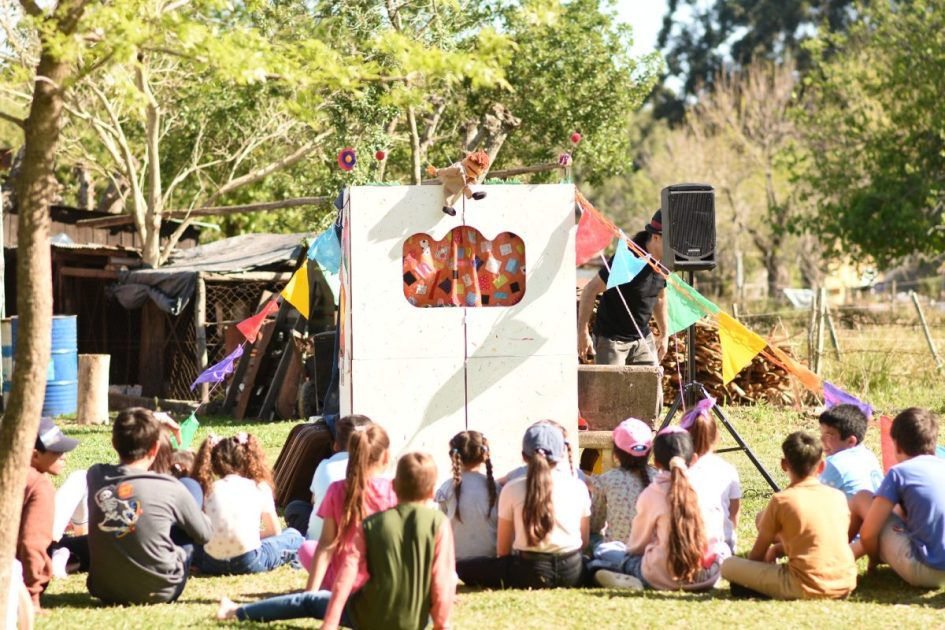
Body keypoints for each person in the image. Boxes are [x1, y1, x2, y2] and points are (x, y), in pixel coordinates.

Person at [218, 452, 456, 630]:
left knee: (308, 601)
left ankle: (236, 611)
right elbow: (442, 579)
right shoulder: (439, 523)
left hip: (367, 615)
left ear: (394, 485)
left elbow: (346, 576)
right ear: (431, 490)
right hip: (415, 620)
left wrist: (330, 623)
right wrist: (441, 624)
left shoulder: (373, 524)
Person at [216, 424, 396, 623]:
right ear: (386, 457)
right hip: (390, 604)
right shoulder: (394, 492)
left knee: (307, 545)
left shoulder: (338, 490)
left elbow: (326, 546)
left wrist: (308, 597)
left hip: (352, 603)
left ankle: (236, 611)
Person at [86, 407, 211, 605]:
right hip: (161, 589)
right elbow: (204, 534)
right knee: (191, 489)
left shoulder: (95, 475)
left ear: (114, 444)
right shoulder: (171, 488)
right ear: (155, 449)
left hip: (104, 589)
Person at [721, 431, 857, 600]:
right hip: (845, 583)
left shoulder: (782, 500)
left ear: (784, 464)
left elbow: (756, 556)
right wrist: (779, 549)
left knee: (727, 565)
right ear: (821, 466)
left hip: (804, 587)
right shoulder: (838, 497)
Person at [593, 427, 729, 591]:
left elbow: (637, 547)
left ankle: (605, 571)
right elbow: (718, 536)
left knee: (605, 550)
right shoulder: (708, 486)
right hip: (706, 576)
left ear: (657, 462)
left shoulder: (652, 492)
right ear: (693, 458)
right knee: (724, 549)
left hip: (662, 576)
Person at [459, 423, 591, 589]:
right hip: (573, 572)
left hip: (528, 573)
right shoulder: (578, 487)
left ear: (524, 455)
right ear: (562, 453)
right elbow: (584, 541)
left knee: (465, 568)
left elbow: (503, 551)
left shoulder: (512, 488)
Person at [577, 210, 668, 407]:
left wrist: (665, 332)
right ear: (655, 237)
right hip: (611, 340)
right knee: (609, 400)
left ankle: (645, 436)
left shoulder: (664, 263)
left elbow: (660, 297)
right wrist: (583, 332)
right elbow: (590, 291)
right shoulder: (626, 259)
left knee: (653, 399)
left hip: (643, 338)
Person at [851, 408, 945, 587]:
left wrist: (874, 557)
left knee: (862, 498)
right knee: (895, 509)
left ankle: (837, 558)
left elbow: (868, 533)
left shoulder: (900, 472)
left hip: (923, 570)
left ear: (897, 445)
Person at [190, 433, 303, 575]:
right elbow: (274, 531)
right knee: (292, 534)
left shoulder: (206, 489)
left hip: (211, 562)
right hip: (249, 560)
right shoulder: (259, 487)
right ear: (247, 458)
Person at [17, 416, 79, 612]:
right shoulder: (39, 486)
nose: (64, 457)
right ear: (35, 455)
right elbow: (32, 544)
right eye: (57, 452)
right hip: (14, 583)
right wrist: (32, 595)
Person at [285, 415, 373, 540]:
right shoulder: (375, 470)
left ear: (336, 445)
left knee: (294, 508)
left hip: (320, 541)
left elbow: (313, 501)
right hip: (359, 539)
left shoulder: (324, 466)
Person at [683, 398, 741, 550]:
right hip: (723, 550)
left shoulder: (678, 472)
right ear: (716, 437)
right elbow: (734, 517)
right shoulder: (728, 469)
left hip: (689, 549)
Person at [435, 431, 500, 561]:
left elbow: (439, 529)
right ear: (483, 455)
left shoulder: (446, 488)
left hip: (455, 565)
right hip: (492, 565)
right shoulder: (496, 488)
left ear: (454, 455)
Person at [590, 418, 653, 545]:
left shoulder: (606, 480)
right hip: (651, 555)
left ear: (616, 452)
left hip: (616, 555)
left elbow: (595, 524)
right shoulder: (660, 480)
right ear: (649, 452)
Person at [818, 403, 883, 499]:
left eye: (829, 435)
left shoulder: (835, 463)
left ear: (851, 441)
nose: (821, 439)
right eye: (821, 433)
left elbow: (813, 499)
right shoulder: (869, 456)